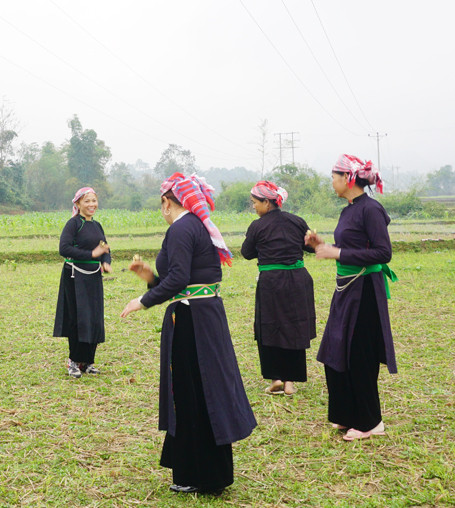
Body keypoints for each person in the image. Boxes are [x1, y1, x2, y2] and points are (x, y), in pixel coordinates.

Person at [121, 173, 256, 494]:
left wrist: (142, 300)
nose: (162, 210)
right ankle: (198, 472)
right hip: (203, 315)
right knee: (198, 389)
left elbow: (179, 279)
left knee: (195, 392)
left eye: (161, 205)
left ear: (167, 201)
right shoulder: (196, 226)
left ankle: (204, 476)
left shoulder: (181, 227)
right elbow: (181, 281)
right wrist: (149, 277)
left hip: (193, 321)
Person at [305, 154, 398, 441]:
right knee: (337, 350)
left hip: (366, 290)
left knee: (360, 355)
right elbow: (346, 246)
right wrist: (321, 245)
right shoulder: (349, 210)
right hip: (346, 290)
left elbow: (383, 253)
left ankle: (371, 422)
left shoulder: (371, 209)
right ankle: (346, 414)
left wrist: (339, 253)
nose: (331, 182)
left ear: (348, 179)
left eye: (334, 177)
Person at [241, 180, 316, 396]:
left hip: (271, 282)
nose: (253, 206)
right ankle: (290, 382)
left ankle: (276, 379)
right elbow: (310, 248)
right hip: (297, 280)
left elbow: (247, 253)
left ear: (267, 202)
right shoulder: (297, 221)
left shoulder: (257, 226)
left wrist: (266, 249)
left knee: (270, 327)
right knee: (293, 327)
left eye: (255, 202)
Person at [53, 187, 112, 378]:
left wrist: (105, 261)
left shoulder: (97, 226)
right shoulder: (73, 224)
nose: (91, 205)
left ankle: (87, 362)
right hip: (74, 276)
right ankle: (73, 361)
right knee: (78, 319)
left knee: (93, 318)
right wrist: (90, 254)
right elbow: (64, 248)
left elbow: (104, 247)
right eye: (87, 201)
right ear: (77, 204)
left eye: (94, 200)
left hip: (93, 276)